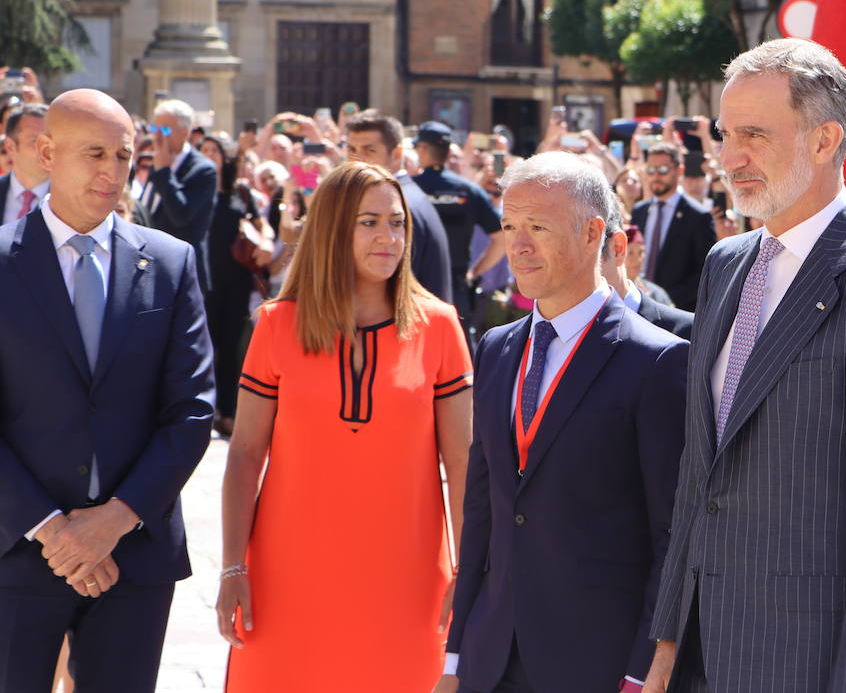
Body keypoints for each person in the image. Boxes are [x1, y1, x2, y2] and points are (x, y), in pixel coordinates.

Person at [645, 38, 846, 692]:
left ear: (824, 139)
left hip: (810, 666)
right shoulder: (725, 266)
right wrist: (666, 643)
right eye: (726, 135)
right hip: (705, 658)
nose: (730, 159)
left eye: (753, 134)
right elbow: (700, 478)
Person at [217, 162, 473, 692]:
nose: (389, 238)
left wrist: (469, 570)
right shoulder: (276, 324)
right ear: (334, 228)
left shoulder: (441, 326)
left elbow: (464, 461)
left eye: (398, 223)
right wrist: (232, 568)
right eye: (369, 223)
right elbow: (243, 454)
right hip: (286, 578)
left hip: (407, 580)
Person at [439, 153, 688, 693]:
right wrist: (455, 657)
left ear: (593, 231)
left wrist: (642, 670)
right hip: (491, 658)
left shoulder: (659, 360)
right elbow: (482, 509)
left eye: (538, 227)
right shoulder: (496, 348)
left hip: (596, 665)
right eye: (509, 226)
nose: (518, 245)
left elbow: (673, 533)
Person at [0, 89, 214, 691]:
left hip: (135, 555)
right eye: (94, 153)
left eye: (123, 156)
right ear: (46, 152)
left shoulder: (171, 263)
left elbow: (192, 412)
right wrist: (53, 530)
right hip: (19, 549)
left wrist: (112, 522)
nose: (111, 171)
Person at [200, 134, 272, 438]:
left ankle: (228, 412)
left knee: (230, 348)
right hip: (203, 279)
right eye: (203, 150)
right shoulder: (193, 189)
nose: (209, 155)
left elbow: (260, 223)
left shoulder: (239, 192)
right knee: (204, 348)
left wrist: (267, 239)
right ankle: (204, 412)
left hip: (234, 280)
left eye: (214, 150)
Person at [344, 111, 454, 304]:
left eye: (369, 150)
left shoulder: (397, 204)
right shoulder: (401, 196)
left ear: (396, 154)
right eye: (351, 149)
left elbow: (391, 289)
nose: (357, 160)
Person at [412, 121, 504, 319]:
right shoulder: (468, 191)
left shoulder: (407, 189)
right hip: (454, 289)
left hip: (412, 289)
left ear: (423, 149)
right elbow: (502, 237)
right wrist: (475, 272)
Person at [143, 98, 217, 295]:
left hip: (182, 271)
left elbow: (181, 216)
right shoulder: (156, 161)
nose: (157, 137)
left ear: (185, 133)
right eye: (154, 128)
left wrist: (165, 172)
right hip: (150, 263)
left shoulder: (203, 170)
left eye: (165, 131)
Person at [630, 141, 716, 311]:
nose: (656, 176)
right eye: (650, 170)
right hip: (638, 306)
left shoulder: (698, 216)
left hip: (676, 310)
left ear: (679, 171)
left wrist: (661, 300)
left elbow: (705, 273)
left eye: (663, 170)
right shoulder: (639, 211)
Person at [602, 201, 693, 339]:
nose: (636, 260)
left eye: (640, 253)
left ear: (619, 248)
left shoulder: (657, 295)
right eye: (631, 253)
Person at [0, 103, 49, 223]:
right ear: (10, 146)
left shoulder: (74, 199)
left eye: (51, 140)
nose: (47, 149)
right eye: (35, 141)